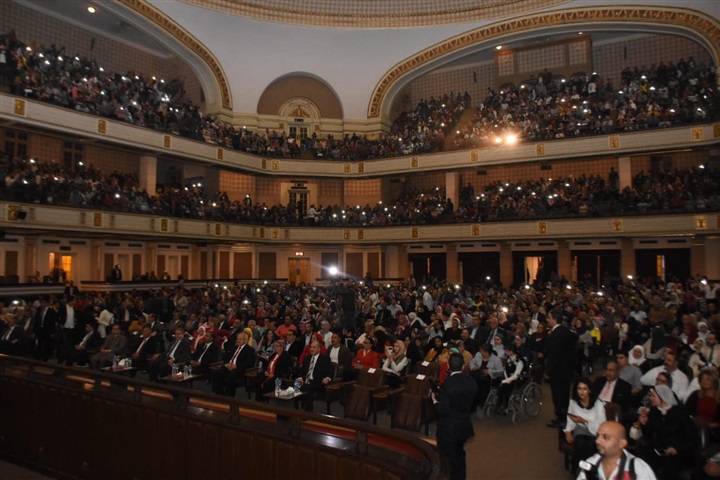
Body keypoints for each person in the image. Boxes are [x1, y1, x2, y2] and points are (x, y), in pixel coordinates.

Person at [635, 384, 699, 479]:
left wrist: (676, 448)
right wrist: (644, 424)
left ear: (662, 397)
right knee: (646, 461)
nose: (651, 398)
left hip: (679, 450)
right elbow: (649, 434)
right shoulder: (654, 411)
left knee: (669, 467)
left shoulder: (680, 412)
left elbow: (692, 437)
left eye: (653, 396)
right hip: (660, 449)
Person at [432, 353, 478, 480]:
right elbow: (473, 404)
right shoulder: (471, 381)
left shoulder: (447, 385)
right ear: (463, 366)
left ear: (448, 366)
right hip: (464, 425)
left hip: (448, 429)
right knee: (459, 455)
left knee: (447, 460)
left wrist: (434, 401)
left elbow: (442, 410)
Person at [576, 420, 656, 479]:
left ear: (621, 443)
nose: (597, 441)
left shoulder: (638, 469)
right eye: (598, 436)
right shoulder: (591, 463)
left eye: (605, 437)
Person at [564, 377, 607, 475]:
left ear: (589, 390)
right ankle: (576, 471)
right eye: (579, 389)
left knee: (590, 444)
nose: (581, 392)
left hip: (596, 431)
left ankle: (587, 471)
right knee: (580, 441)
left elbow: (601, 426)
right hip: (580, 430)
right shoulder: (573, 402)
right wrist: (568, 431)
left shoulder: (598, 404)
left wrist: (584, 421)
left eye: (584, 389)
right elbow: (570, 419)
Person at [546, 308, 577, 428]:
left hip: (558, 371)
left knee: (559, 396)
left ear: (554, 319)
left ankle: (561, 419)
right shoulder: (565, 331)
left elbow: (554, 355)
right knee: (563, 395)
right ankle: (562, 417)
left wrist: (548, 370)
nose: (547, 320)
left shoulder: (557, 334)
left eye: (549, 317)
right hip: (566, 369)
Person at [296, 340, 333, 412]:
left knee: (307, 388)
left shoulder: (325, 359)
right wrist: (300, 378)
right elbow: (302, 371)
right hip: (306, 381)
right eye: (311, 347)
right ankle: (295, 410)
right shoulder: (307, 358)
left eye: (314, 347)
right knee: (296, 385)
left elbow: (330, 372)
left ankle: (308, 412)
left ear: (319, 349)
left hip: (318, 381)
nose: (311, 349)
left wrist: (327, 378)